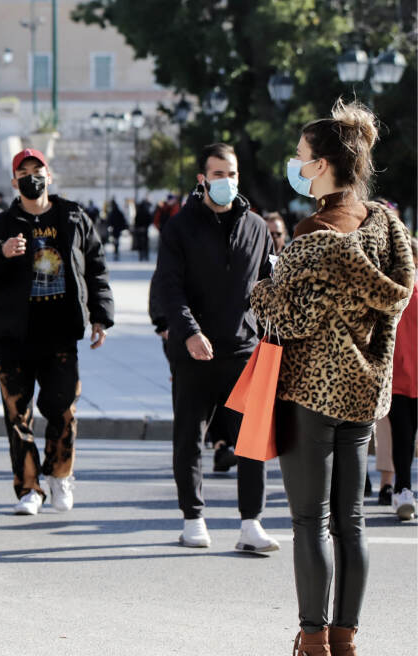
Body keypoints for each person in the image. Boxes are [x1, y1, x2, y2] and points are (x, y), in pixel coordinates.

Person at [249, 100, 415, 656]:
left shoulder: (313, 234)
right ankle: (345, 639)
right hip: (366, 393)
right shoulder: (388, 225)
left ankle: (314, 639)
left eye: (300, 156)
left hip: (311, 392)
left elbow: (287, 318)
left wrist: (261, 291)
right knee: (353, 522)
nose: (296, 165)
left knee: (308, 522)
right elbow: (397, 297)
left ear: (322, 166)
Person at [0, 148, 114, 516]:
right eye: (24, 171)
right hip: (14, 335)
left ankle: (60, 473)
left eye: (38, 169)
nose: (32, 176)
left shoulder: (73, 216)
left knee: (63, 409)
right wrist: (1, 253)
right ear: (14, 181)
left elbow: (95, 268)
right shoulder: (1, 224)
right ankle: (28, 488)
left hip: (61, 332)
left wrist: (101, 316)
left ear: (50, 176)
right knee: (17, 417)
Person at [153, 143, 276, 552]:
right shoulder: (179, 227)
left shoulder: (257, 228)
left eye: (233, 173)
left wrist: (267, 333)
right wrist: (188, 332)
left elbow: (267, 286)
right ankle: (193, 518)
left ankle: (251, 523)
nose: (228, 181)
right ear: (202, 178)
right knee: (189, 436)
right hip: (193, 350)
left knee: (251, 440)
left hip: (243, 349)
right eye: (219, 174)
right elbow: (169, 287)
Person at [385, 236, 418, 520]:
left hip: (399, 379)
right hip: (400, 379)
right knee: (403, 438)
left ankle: (402, 490)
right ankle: (402, 490)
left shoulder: (391, 289)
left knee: (403, 439)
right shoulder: (395, 290)